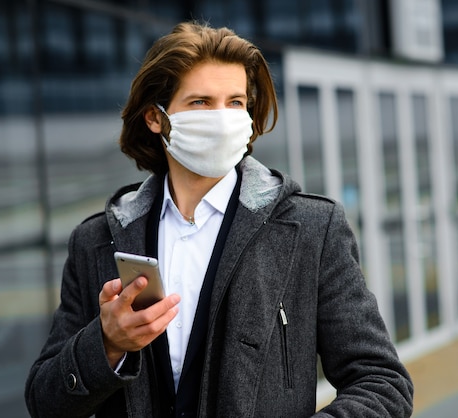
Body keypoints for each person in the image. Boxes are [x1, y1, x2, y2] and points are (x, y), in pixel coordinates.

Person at [25, 21, 413, 418]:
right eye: (201, 103)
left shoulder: (311, 228)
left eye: (235, 102)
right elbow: (44, 401)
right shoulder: (96, 241)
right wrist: (106, 343)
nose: (223, 119)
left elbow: (382, 384)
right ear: (155, 118)